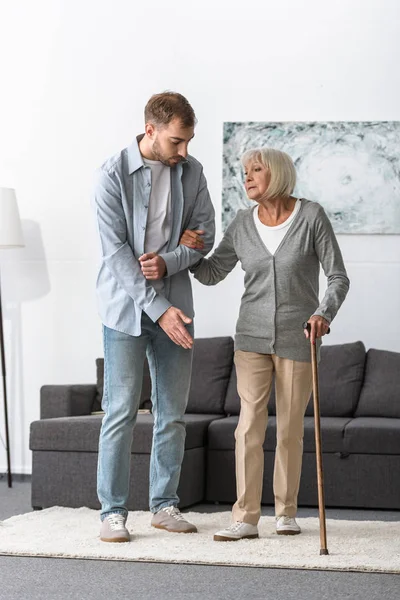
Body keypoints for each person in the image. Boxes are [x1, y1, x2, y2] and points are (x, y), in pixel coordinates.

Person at [177, 147, 350, 541]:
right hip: (250, 338)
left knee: (290, 428)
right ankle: (246, 517)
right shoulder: (241, 222)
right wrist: (190, 249)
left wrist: (324, 312)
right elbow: (211, 273)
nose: (248, 177)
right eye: (244, 171)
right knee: (248, 427)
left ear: (278, 173)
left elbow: (338, 276)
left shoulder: (311, 216)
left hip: (299, 337)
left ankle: (286, 512)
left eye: (257, 170)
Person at [93, 92, 215, 543]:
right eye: (177, 141)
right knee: (120, 411)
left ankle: (164, 505)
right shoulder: (110, 176)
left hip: (176, 302)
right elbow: (117, 256)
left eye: (188, 141)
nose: (184, 151)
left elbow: (204, 235)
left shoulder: (193, 171)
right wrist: (159, 309)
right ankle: (112, 513)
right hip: (125, 308)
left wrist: (170, 261)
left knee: (173, 412)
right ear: (151, 130)